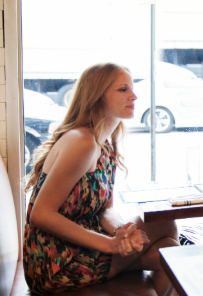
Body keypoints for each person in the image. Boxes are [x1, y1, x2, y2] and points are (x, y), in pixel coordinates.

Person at [23, 63, 180, 296]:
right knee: (169, 249)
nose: (134, 96)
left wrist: (123, 233)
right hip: (56, 262)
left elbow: (105, 210)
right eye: (123, 89)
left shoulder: (105, 142)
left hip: (85, 248)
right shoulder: (81, 142)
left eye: (132, 88)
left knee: (167, 235)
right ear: (97, 96)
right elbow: (41, 214)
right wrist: (109, 244)